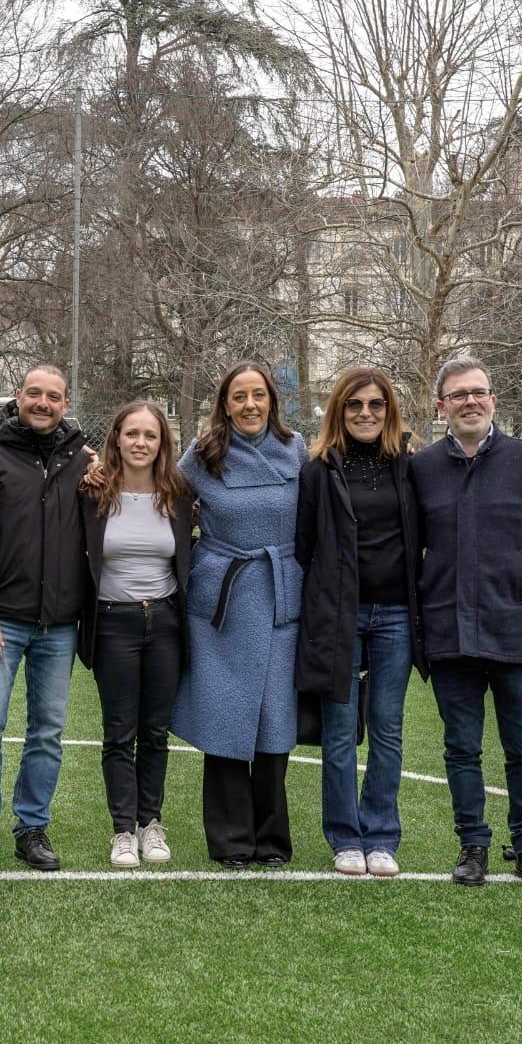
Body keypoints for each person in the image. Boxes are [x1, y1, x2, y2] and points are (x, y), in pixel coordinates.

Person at [413, 354, 522, 892]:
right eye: (458, 394)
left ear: (493, 401)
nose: (469, 401)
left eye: (477, 392)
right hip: (448, 634)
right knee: (461, 748)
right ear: (440, 405)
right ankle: (474, 845)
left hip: (515, 630)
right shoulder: (420, 469)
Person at [0, 365, 88, 879]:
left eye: (54, 396)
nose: (43, 403)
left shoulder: (82, 458)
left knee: (47, 732)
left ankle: (32, 829)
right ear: (17, 397)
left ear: (66, 404)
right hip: (0, 621)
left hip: (60, 623)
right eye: (35, 394)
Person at [172, 361, 306, 869]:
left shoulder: (296, 450)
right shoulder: (202, 455)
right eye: (238, 397)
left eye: (258, 395)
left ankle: (271, 839)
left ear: (272, 399)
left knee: (275, 720)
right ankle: (230, 840)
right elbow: (162, 498)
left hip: (281, 597)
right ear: (224, 405)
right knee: (224, 717)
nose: (250, 405)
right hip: (222, 602)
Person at [295, 368, 425, 878]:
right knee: (340, 730)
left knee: (388, 730)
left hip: (395, 615)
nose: (365, 414)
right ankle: (345, 837)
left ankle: (382, 836)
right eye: (355, 406)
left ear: (389, 410)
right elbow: (304, 546)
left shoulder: (410, 468)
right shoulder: (318, 470)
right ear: (339, 412)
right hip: (339, 617)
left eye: (375, 405)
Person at [78, 402, 193, 868]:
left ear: (162, 443)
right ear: (118, 439)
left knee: (155, 731)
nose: (141, 443)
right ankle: (123, 830)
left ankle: (151, 824)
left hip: (165, 623)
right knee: (119, 733)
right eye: (132, 434)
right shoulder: (94, 493)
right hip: (112, 623)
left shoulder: (179, 495)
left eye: (151, 435)